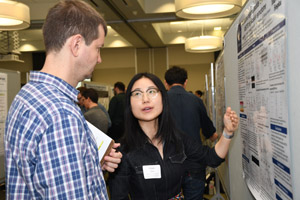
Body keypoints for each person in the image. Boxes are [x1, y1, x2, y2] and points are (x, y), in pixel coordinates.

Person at [4, 1, 121, 199]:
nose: (99, 58)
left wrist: (89, 163)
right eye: (98, 48)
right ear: (76, 44)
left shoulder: (26, 96)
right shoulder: (61, 114)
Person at [108, 72, 239, 200]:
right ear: (129, 104)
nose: (145, 99)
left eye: (152, 91)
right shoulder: (122, 152)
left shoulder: (177, 139)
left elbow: (212, 158)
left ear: (163, 99)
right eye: (137, 94)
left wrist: (228, 132)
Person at [164, 66, 218, 200]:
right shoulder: (196, 101)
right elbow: (210, 133)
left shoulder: (160, 101)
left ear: (166, 83)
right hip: (194, 164)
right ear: (186, 82)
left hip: (168, 164)